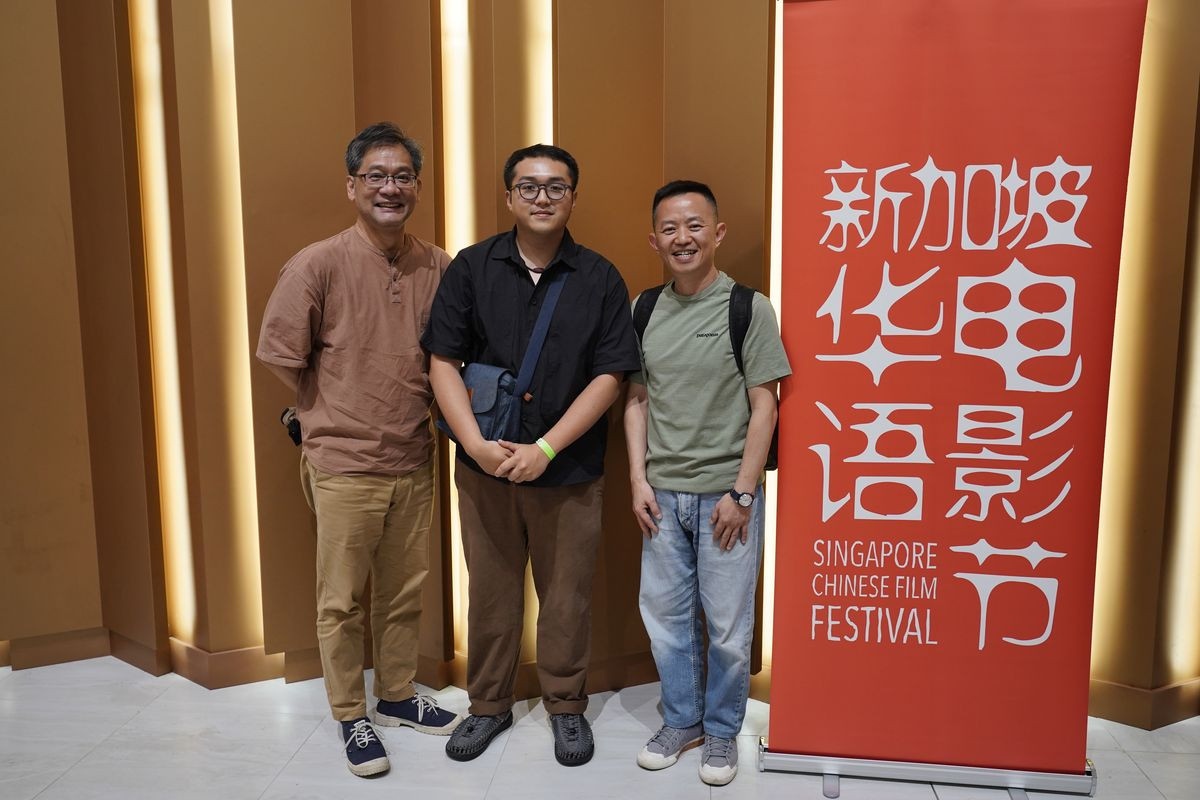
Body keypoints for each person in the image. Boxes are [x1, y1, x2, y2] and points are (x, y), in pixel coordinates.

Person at [422, 143, 641, 766]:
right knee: (490, 593)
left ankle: (565, 708)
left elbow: (610, 376)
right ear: (509, 194)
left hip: (568, 470)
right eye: (529, 185)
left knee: (567, 596)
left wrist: (546, 448)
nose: (542, 196)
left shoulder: (599, 277)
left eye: (555, 186)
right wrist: (474, 445)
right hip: (482, 466)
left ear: (574, 195)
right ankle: (488, 705)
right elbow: (442, 359)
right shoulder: (471, 267)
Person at [256, 122, 460, 778]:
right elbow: (280, 353)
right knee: (340, 601)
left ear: (418, 187)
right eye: (375, 176)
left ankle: (397, 696)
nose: (390, 187)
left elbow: (453, 359)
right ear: (352, 186)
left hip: (413, 457)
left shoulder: (439, 266)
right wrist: (322, 408)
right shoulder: (318, 262)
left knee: (404, 592)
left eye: (402, 176)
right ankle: (351, 715)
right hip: (342, 465)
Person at [624, 180, 791, 786]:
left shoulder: (748, 306)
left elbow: (766, 406)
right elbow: (637, 402)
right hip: (662, 498)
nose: (682, 238)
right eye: (669, 228)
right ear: (654, 240)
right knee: (665, 619)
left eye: (695, 225)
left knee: (726, 625)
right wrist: (637, 480)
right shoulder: (643, 308)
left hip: (727, 496)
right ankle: (682, 720)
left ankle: (721, 730)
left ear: (717, 233)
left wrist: (744, 493)